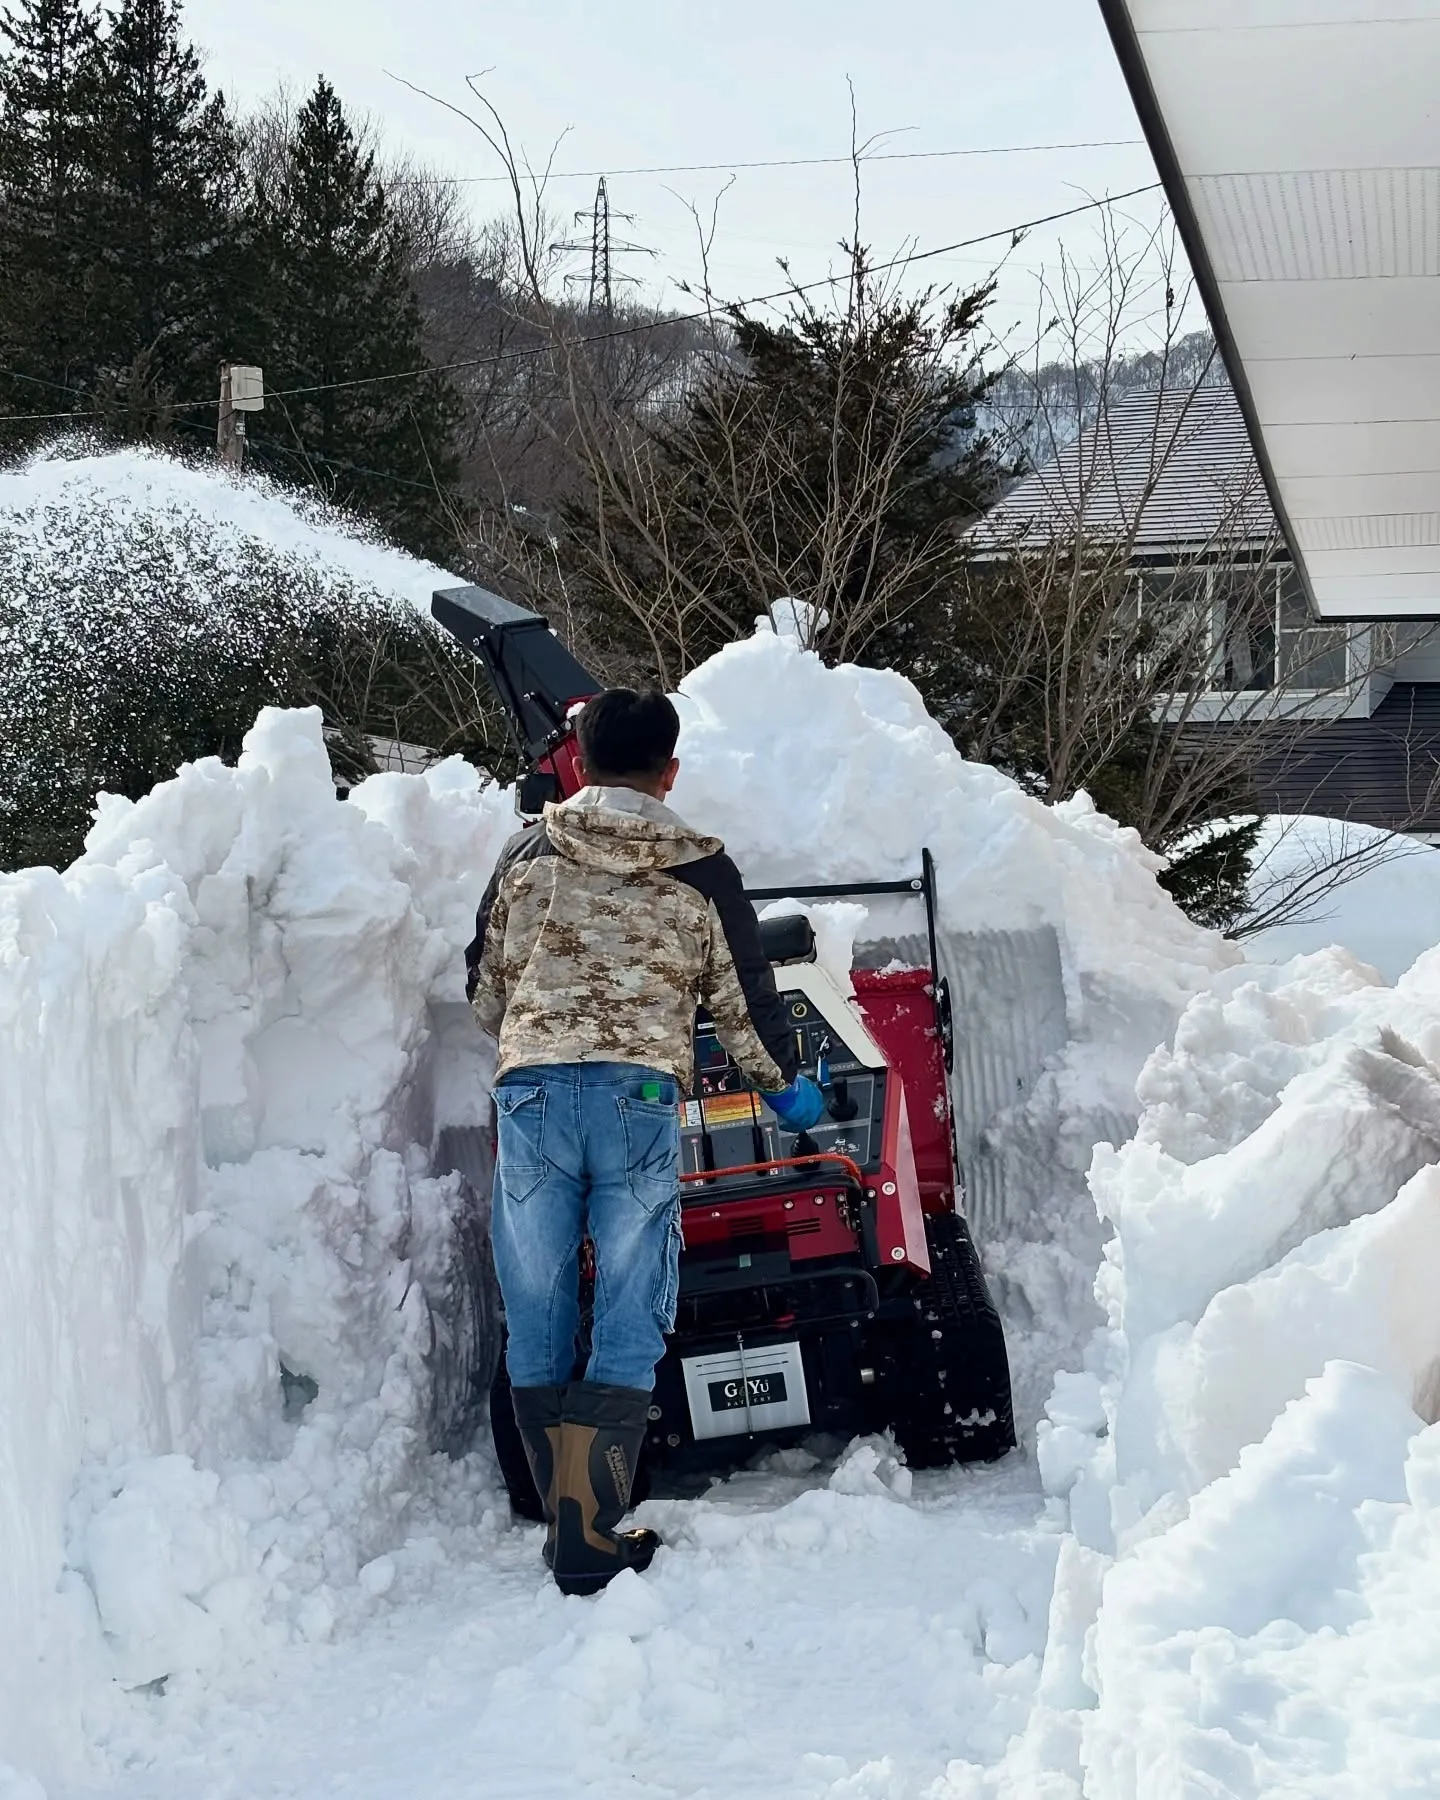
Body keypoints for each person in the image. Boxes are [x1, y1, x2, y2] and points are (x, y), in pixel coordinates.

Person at [467, 688, 825, 1595]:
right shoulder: (701, 868)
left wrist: (543, 1029)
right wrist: (787, 1095)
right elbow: (743, 1006)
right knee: (631, 1299)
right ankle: (590, 1530)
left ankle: (569, 1528)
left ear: (578, 765)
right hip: (636, 1100)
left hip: (534, 1097)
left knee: (538, 1303)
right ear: (670, 773)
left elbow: (486, 986)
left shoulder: (527, 851)